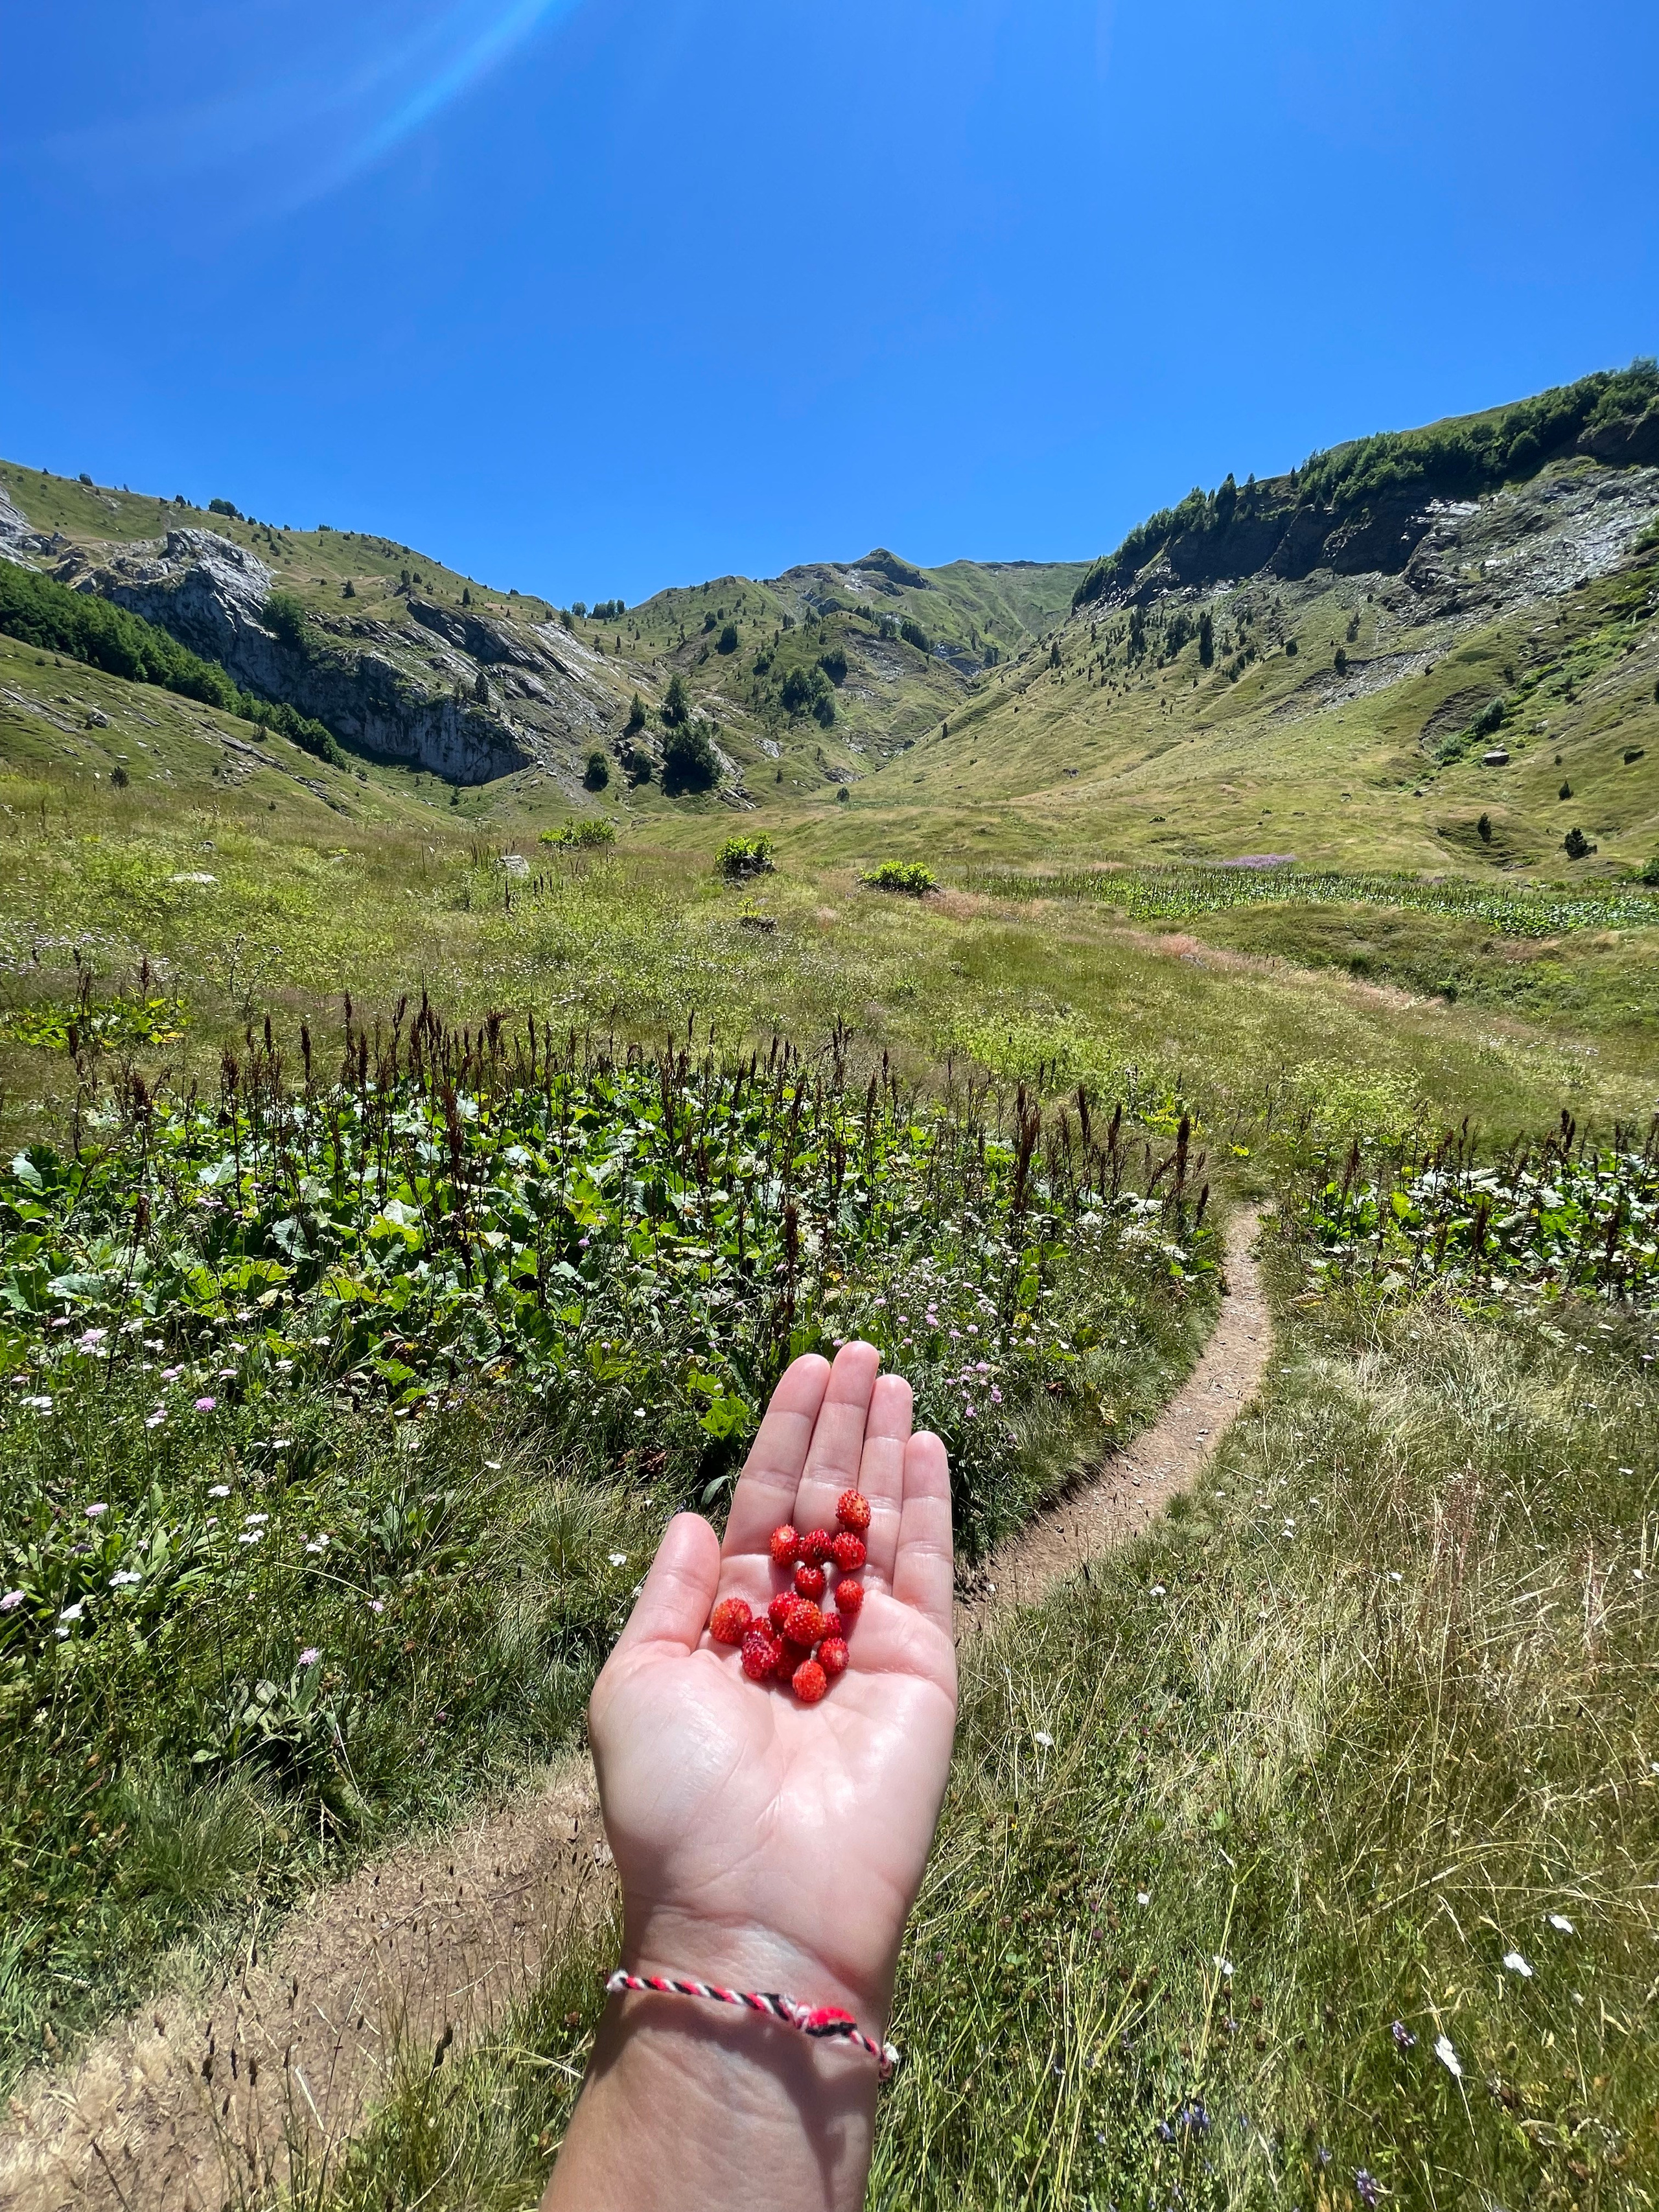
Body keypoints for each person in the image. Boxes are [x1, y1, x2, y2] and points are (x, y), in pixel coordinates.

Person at [543, 1340, 958, 2212]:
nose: (814, 1571)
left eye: (819, 1567)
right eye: (810, 1571)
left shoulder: (808, 1608)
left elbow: (804, 1608)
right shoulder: (796, 1610)